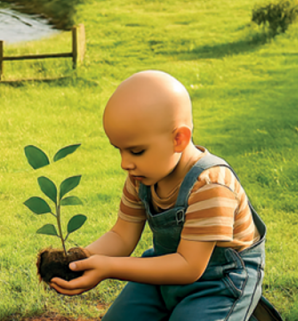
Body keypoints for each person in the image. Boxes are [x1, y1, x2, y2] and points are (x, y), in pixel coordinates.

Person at [50, 70, 280, 321]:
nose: (125, 163)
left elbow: (189, 267)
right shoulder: (142, 177)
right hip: (164, 269)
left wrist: (109, 268)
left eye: (136, 151)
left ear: (178, 139)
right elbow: (121, 235)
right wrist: (81, 260)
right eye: (119, 150)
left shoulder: (211, 185)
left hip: (220, 283)